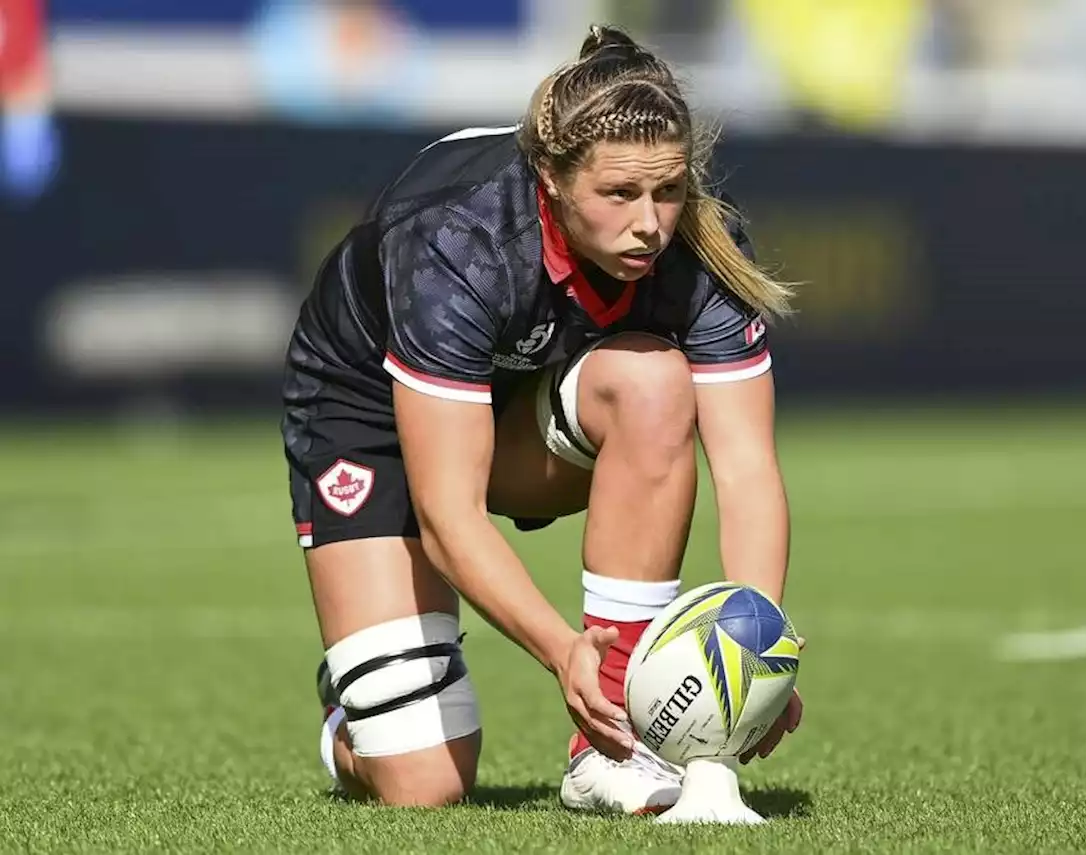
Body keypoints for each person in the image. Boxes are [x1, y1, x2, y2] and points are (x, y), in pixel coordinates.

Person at [281, 23, 802, 815]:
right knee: (425, 786)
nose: (650, 223)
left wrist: (761, 657)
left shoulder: (702, 245)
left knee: (654, 384)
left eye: (667, 191)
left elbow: (747, 469)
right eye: (619, 194)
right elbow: (446, 513)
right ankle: (354, 706)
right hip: (370, 418)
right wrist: (562, 651)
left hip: (522, 409)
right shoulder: (457, 238)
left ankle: (610, 748)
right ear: (552, 180)